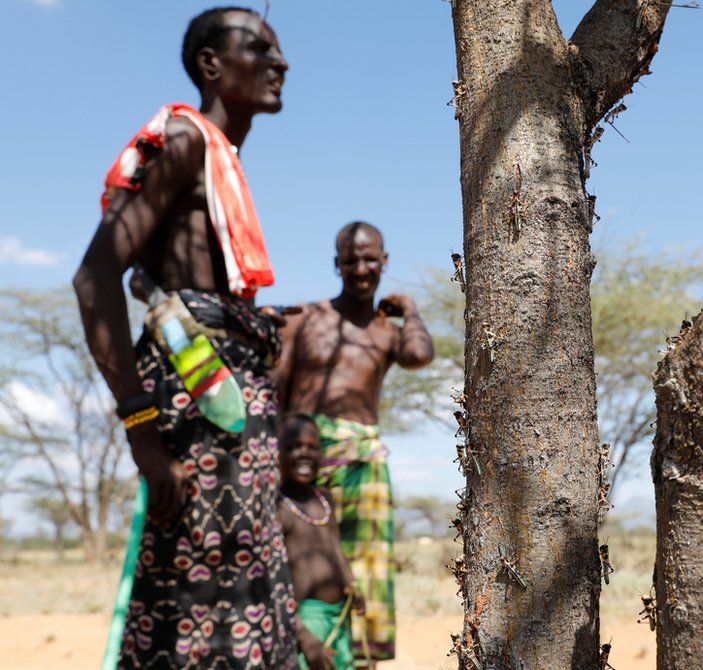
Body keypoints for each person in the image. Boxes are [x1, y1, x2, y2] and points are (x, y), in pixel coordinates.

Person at [73, 7, 297, 668]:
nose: (280, 63)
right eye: (259, 47)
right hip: (194, 407)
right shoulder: (186, 140)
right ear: (210, 64)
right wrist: (141, 430)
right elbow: (95, 279)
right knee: (194, 594)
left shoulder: (221, 159)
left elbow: (157, 278)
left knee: (242, 584)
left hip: (229, 403)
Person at [273, 221, 434, 665]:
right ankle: (299, 650)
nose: (361, 269)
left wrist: (411, 310)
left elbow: (420, 356)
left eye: (370, 259)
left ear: (384, 262)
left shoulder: (388, 331)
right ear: (336, 264)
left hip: (364, 460)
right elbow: (276, 393)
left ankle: (359, 659)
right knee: (298, 559)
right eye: (350, 260)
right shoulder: (304, 319)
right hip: (305, 456)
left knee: (364, 574)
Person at [278, 413, 365, 670]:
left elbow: (334, 546)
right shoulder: (276, 505)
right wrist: (303, 636)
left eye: (312, 447)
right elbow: (275, 580)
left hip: (339, 615)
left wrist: (350, 582)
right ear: (276, 453)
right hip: (305, 621)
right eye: (292, 447)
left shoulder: (325, 499)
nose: (303, 454)